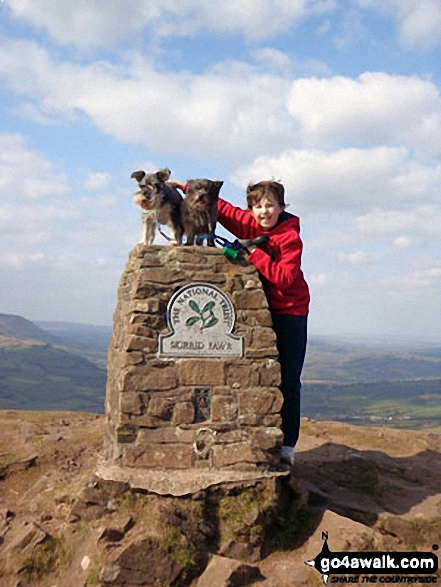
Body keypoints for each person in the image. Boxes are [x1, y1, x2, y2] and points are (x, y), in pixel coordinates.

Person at [169, 179, 310, 466]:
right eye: (258, 206)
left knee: (289, 380)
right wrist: (186, 187)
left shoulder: (290, 237)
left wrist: (253, 253)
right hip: (261, 311)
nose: (264, 211)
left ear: (282, 207)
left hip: (290, 313)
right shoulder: (249, 223)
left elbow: (285, 278)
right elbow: (223, 209)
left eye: (271, 205)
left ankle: (287, 445)